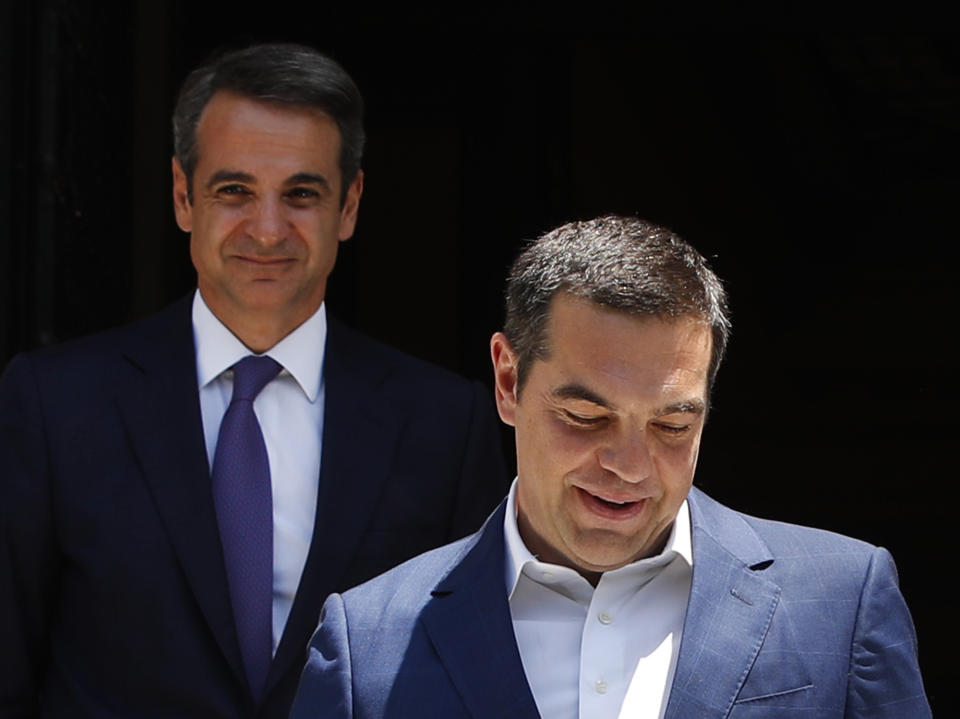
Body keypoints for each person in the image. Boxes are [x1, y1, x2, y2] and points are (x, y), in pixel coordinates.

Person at [0, 43, 507, 718]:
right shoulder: (55, 404)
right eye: (233, 190)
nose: (267, 230)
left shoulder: (447, 424)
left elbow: (472, 674)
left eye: (301, 193)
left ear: (349, 206)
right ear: (183, 196)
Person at [290, 215, 931, 718]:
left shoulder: (842, 603)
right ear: (508, 380)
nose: (630, 465)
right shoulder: (368, 643)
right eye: (586, 417)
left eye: (671, 426)